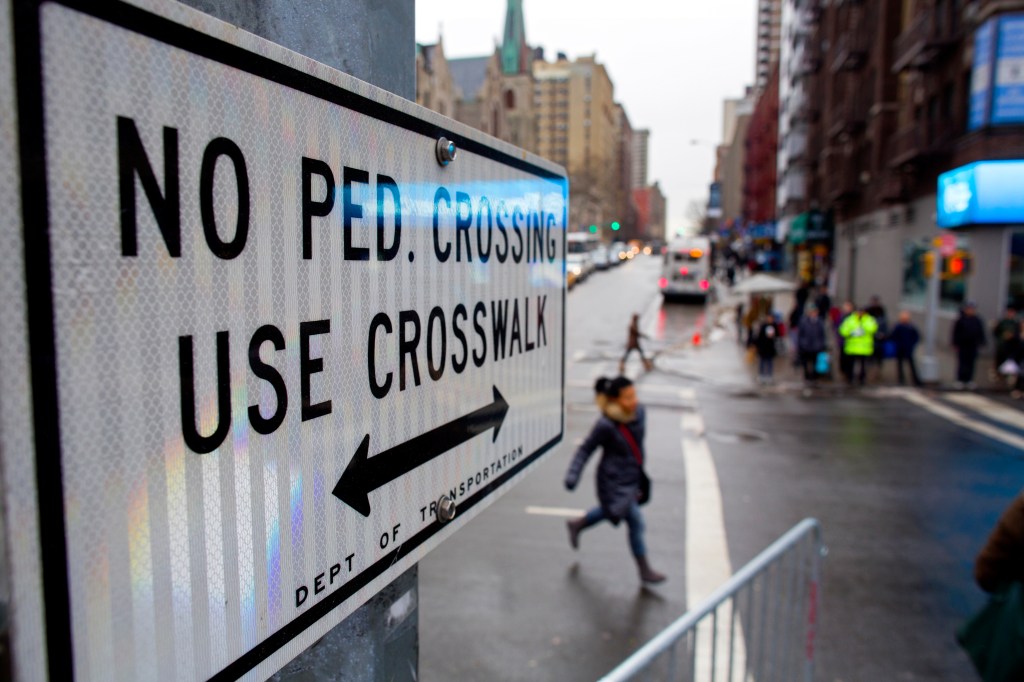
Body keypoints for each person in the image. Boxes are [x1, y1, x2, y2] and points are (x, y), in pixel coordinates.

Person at [564, 377, 666, 584]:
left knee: (610, 510)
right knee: (635, 520)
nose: (634, 401)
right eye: (628, 397)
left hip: (632, 477)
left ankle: (577, 525)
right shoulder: (606, 424)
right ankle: (644, 569)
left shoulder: (639, 414)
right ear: (614, 400)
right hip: (612, 483)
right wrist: (572, 476)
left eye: (634, 395)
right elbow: (586, 449)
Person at [838, 306, 878, 385]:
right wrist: (851, 332)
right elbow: (842, 330)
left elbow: (873, 328)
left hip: (864, 347)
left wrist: (863, 327)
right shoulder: (850, 320)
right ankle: (850, 379)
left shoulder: (868, 319)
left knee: (863, 365)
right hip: (852, 347)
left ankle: (862, 379)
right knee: (851, 364)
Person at [952, 302, 986, 389]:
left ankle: (969, 380)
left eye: (972, 309)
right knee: (962, 362)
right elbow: (955, 333)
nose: (971, 311)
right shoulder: (961, 320)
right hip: (963, 345)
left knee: (971, 363)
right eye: (969, 309)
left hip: (973, 345)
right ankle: (960, 379)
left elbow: (981, 332)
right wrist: (955, 343)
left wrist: (982, 341)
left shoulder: (977, 320)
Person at [888, 311, 922, 386]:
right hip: (901, 348)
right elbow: (893, 336)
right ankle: (901, 380)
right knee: (901, 365)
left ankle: (914, 380)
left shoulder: (910, 327)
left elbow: (916, 337)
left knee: (910, 365)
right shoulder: (899, 327)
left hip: (907, 349)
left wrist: (912, 346)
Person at [797, 306, 827, 383]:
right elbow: (800, 334)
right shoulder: (804, 321)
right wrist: (801, 343)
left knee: (815, 362)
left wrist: (822, 344)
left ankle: (814, 376)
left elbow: (822, 334)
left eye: (815, 312)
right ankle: (807, 375)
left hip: (816, 346)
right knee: (806, 362)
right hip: (806, 346)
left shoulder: (820, 322)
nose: (813, 314)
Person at [992, 307, 1019, 378]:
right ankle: (999, 376)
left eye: (1012, 312)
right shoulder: (1002, 322)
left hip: (1011, 347)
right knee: (999, 362)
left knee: (1010, 363)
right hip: (1002, 346)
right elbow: (996, 333)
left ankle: (1008, 377)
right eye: (1009, 312)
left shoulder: (1015, 324)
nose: (1010, 314)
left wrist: (1012, 336)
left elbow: (1018, 335)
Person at [754, 314, 780, 384]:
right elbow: (759, 337)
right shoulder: (763, 326)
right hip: (763, 347)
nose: (770, 320)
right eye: (769, 318)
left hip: (770, 348)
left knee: (769, 362)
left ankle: (769, 375)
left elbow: (778, 335)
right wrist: (757, 346)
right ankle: (761, 375)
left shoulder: (774, 326)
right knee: (762, 362)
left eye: (771, 318)